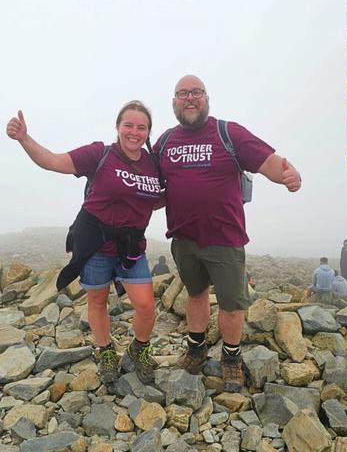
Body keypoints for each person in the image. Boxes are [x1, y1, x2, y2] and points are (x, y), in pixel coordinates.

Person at [159, 75, 302, 392]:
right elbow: (151, 183)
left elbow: (269, 163)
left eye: (196, 92)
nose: (190, 98)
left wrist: (289, 176)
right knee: (195, 295)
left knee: (232, 305)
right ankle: (195, 350)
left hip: (225, 238)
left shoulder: (228, 132)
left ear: (206, 98)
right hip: (183, 238)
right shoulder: (166, 141)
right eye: (183, 94)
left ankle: (231, 359)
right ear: (174, 102)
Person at [6, 102, 163, 384]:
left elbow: (156, 199)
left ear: (148, 132)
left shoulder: (153, 164)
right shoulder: (99, 154)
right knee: (98, 300)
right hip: (96, 245)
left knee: (146, 306)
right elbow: (52, 161)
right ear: (118, 127)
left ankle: (138, 349)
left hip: (131, 248)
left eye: (142, 127)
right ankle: (105, 351)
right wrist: (24, 139)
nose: (134, 132)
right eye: (128, 125)